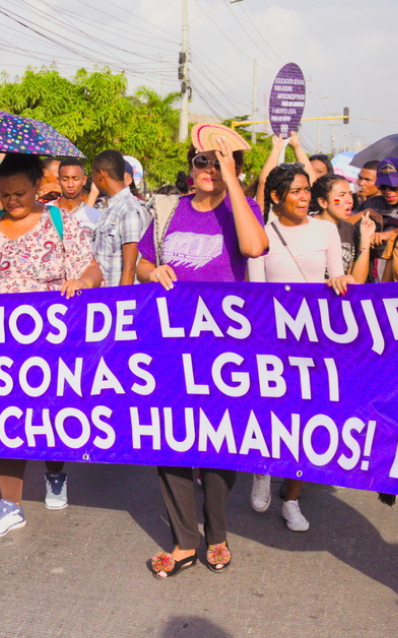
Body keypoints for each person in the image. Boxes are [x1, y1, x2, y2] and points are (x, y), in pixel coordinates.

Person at [136, 123, 268, 576]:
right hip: (171, 345)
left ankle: (217, 531)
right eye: (202, 161)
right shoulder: (172, 209)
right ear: (190, 168)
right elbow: (141, 261)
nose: (209, 169)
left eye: (219, 162)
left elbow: (255, 247)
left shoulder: (243, 208)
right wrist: (151, 272)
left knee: (217, 443)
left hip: (224, 349)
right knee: (170, 439)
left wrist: (233, 181)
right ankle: (184, 541)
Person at [0, 153, 103, 537]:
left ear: (39, 188)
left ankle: (55, 472)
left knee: (48, 418)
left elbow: (92, 267)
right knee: (5, 420)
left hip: (50, 341)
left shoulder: (59, 219)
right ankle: (10, 505)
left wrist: (82, 283)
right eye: (4, 194)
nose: (12, 201)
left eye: (19, 193)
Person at [246, 164, 345, 533]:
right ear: (275, 197)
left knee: (305, 419)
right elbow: (256, 292)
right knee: (271, 413)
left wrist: (339, 281)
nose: (305, 198)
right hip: (272, 340)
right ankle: (262, 468)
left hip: (315, 339)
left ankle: (292, 498)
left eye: (307, 190)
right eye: (296, 191)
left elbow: (335, 276)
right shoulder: (261, 234)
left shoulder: (327, 230)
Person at [91, 150, 152, 287]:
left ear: (101, 174)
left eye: (93, 174)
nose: (92, 180)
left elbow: (130, 268)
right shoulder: (107, 207)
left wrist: (123, 302)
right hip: (100, 299)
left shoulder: (128, 210)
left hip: (116, 300)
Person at [310, 174, 373, 284]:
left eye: (350, 194)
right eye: (342, 195)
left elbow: (357, 281)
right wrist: (329, 282)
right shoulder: (305, 227)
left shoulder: (349, 230)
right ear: (323, 202)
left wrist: (365, 240)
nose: (349, 200)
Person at [51, 157, 100, 240]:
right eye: (65, 179)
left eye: (75, 179)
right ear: (59, 180)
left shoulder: (95, 216)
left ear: (84, 180)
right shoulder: (44, 212)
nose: (70, 184)